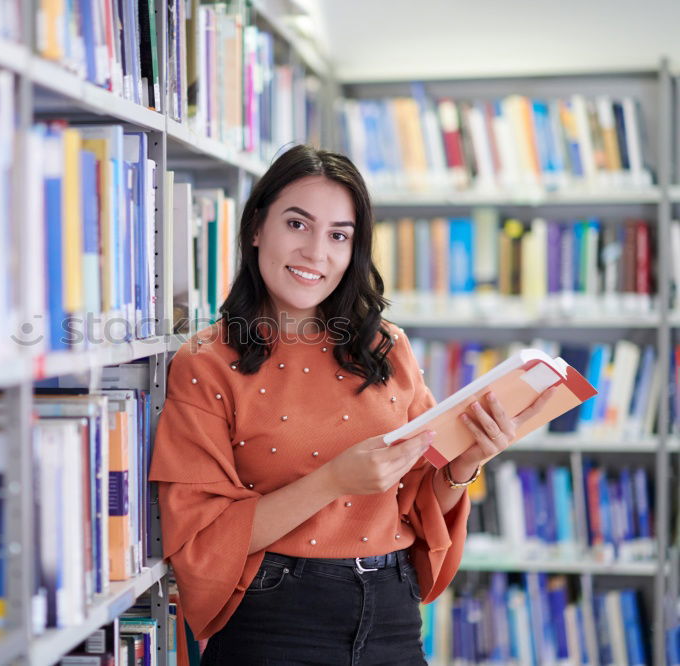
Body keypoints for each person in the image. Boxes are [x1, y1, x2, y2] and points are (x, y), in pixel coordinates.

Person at [148, 145, 555, 665]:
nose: (317, 252)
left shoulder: (387, 347)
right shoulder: (205, 360)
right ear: (256, 228)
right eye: (297, 224)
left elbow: (419, 499)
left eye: (339, 235)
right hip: (276, 620)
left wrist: (466, 464)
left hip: (392, 612)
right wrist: (333, 481)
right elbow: (201, 541)